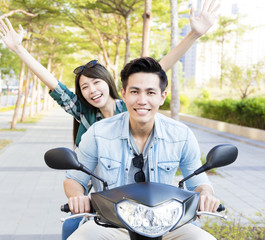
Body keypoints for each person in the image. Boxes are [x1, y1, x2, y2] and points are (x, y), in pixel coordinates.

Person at [0, 0, 220, 148]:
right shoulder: (83, 113)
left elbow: (160, 68)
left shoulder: (131, 105)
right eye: (84, 87)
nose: (91, 90)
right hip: (96, 189)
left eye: (95, 82)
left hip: (135, 185)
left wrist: (194, 34)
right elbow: (54, 85)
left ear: (109, 82)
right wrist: (19, 49)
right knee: (72, 221)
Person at [64, 57, 220, 240]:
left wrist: (206, 195)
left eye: (151, 92)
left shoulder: (181, 135)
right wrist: (77, 197)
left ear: (162, 96)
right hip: (111, 223)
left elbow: (199, 184)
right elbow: (74, 180)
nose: (142, 100)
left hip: (168, 224)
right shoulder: (97, 133)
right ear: (123, 94)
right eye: (135, 92)